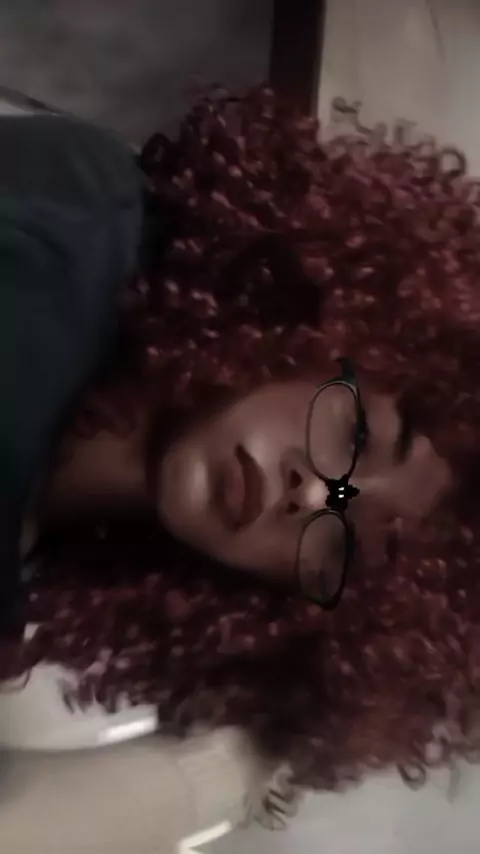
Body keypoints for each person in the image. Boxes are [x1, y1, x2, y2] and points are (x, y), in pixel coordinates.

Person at [1, 87, 480, 799]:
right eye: (354, 433)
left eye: (344, 548)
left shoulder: (52, 562)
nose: (313, 494)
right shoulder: (75, 234)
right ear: (328, 318)